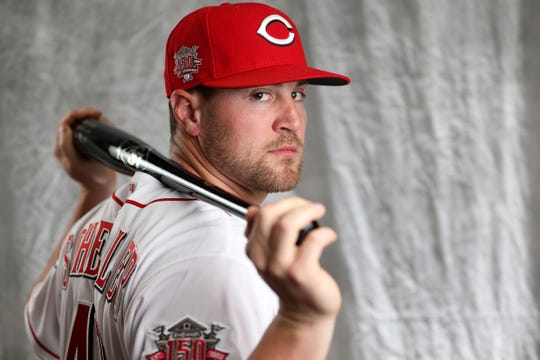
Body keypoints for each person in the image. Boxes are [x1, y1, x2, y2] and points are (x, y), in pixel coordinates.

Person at [25, 2, 350, 359]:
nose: (292, 119)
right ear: (189, 112)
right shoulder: (214, 260)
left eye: (297, 94)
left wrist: (95, 187)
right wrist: (301, 322)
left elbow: (38, 317)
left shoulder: (106, 217)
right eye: (261, 95)